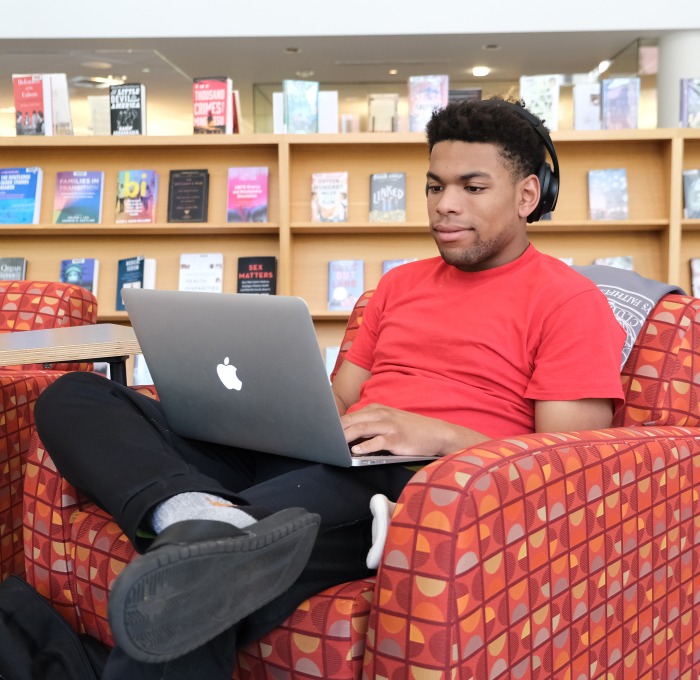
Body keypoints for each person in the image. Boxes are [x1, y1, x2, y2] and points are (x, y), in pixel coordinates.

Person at [34, 97, 626, 679]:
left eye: (472, 188)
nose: (445, 206)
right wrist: (263, 413)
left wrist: (438, 434)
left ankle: (212, 538)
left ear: (528, 195)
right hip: (325, 456)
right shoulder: (399, 286)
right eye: (433, 185)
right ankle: (195, 512)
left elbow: (567, 466)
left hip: (413, 480)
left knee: (187, 585)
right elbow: (342, 398)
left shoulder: (568, 301)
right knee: (75, 397)